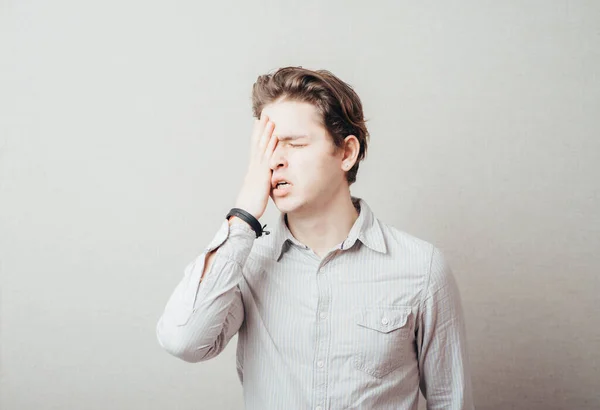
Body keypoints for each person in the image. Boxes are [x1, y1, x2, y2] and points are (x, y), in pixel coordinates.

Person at [156, 66, 474, 410]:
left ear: (346, 153)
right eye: (268, 147)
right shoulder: (245, 263)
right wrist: (244, 213)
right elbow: (183, 339)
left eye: (293, 144)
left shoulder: (421, 268)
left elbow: (450, 400)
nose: (275, 161)